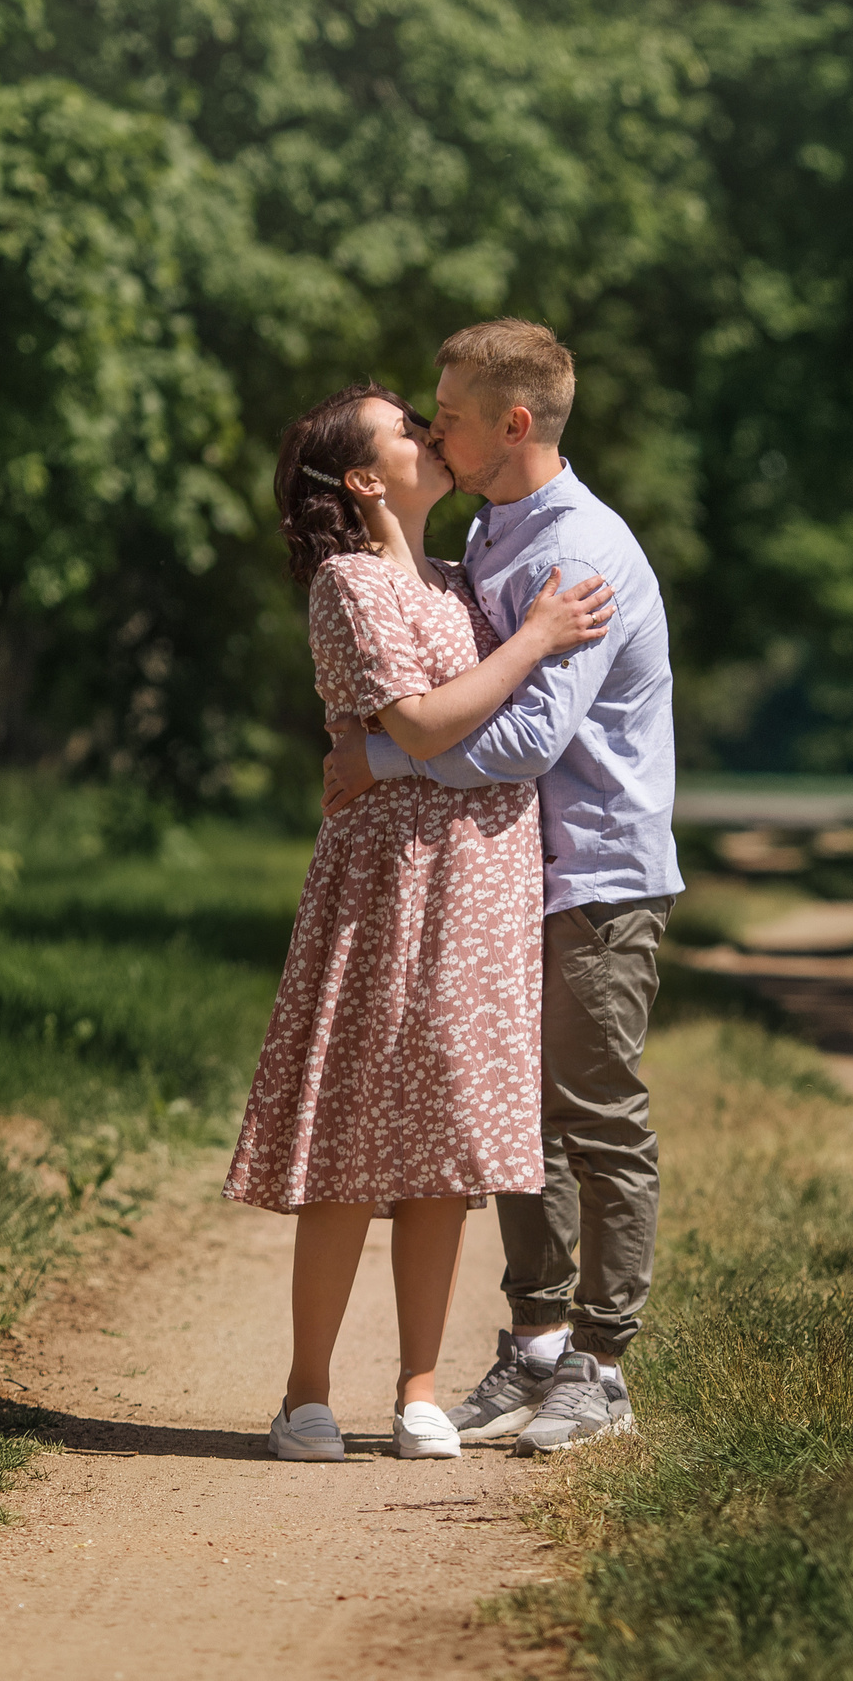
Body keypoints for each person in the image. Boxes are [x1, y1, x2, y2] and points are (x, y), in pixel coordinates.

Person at [224, 382, 615, 1464]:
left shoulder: (455, 577)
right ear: (364, 478)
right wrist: (536, 636)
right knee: (354, 1136)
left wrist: (514, 642)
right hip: (388, 881)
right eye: (405, 428)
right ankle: (306, 1393)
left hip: (480, 884)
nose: (429, 433)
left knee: (444, 1137)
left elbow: (478, 727)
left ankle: (419, 1391)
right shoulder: (349, 582)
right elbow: (427, 722)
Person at [323, 319, 682, 1457]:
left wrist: (379, 757)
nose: (434, 430)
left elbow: (528, 738)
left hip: (598, 873)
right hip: (512, 872)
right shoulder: (489, 527)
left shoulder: (580, 553)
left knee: (593, 1114)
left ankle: (603, 1366)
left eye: (450, 416)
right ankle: (535, 1346)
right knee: (517, 1116)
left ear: (513, 424)